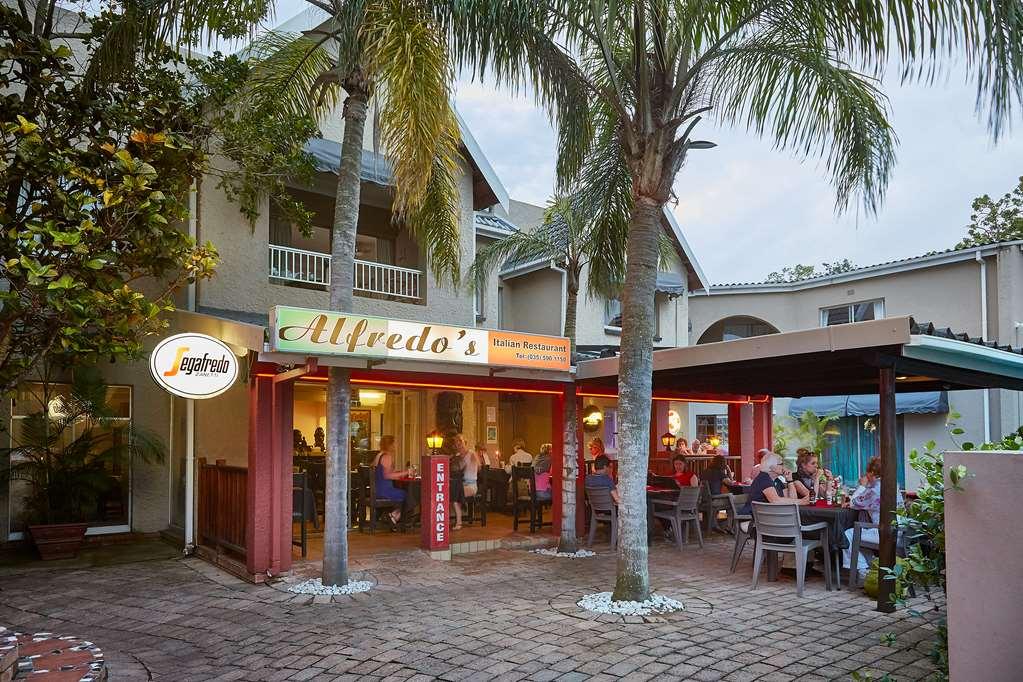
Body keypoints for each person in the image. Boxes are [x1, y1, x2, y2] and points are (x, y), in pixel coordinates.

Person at [842, 456, 903, 578]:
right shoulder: (892, 485)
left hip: (885, 533)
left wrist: (862, 485)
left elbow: (855, 502)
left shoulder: (875, 490)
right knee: (860, 534)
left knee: (848, 534)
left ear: (872, 473)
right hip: (900, 531)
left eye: (867, 472)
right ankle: (868, 566)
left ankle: (863, 570)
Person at [740, 452, 807, 515]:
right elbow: (775, 501)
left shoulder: (776, 481)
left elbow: (793, 499)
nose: (784, 466)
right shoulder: (764, 478)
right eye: (781, 464)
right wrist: (803, 501)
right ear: (772, 467)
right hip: (751, 519)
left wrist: (789, 480)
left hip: (766, 517)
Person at [372, 435, 408, 528]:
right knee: (408, 495)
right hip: (385, 491)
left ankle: (393, 515)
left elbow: (384, 473)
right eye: (395, 443)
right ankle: (395, 516)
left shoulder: (379, 455)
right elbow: (387, 475)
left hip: (378, 489)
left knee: (405, 493)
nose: (396, 445)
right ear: (390, 444)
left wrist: (399, 474)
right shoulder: (387, 456)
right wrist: (407, 472)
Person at [451, 433, 479, 531]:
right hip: (460, 484)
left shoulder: (472, 454)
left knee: (455, 494)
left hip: (471, 485)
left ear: (465, 442)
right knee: (450, 492)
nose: (459, 445)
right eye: (457, 443)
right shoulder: (457, 456)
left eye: (461, 442)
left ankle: (459, 523)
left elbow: (479, 466)